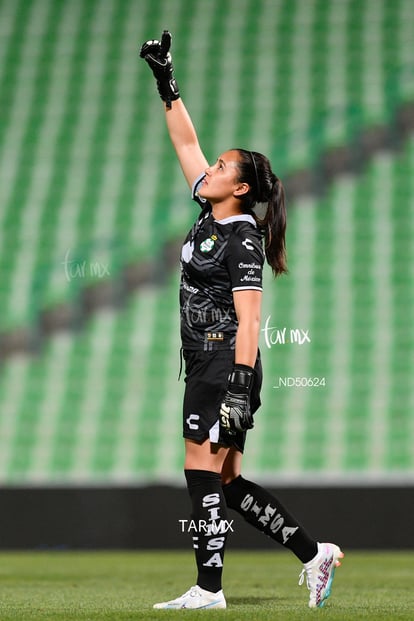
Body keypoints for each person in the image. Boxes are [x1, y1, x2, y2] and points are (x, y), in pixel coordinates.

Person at [140, 31, 343, 611]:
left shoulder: (242, 238)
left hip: (224, 360)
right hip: (208, 360)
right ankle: (315, 553)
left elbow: (253, 320)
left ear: (241, 188)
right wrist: (165, 79)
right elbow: (186, 142)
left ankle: (209, 589)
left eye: (222, 167)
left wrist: (235, 386)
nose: (209, 168)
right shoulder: (211, 212)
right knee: (226, 483)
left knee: (198, 470)